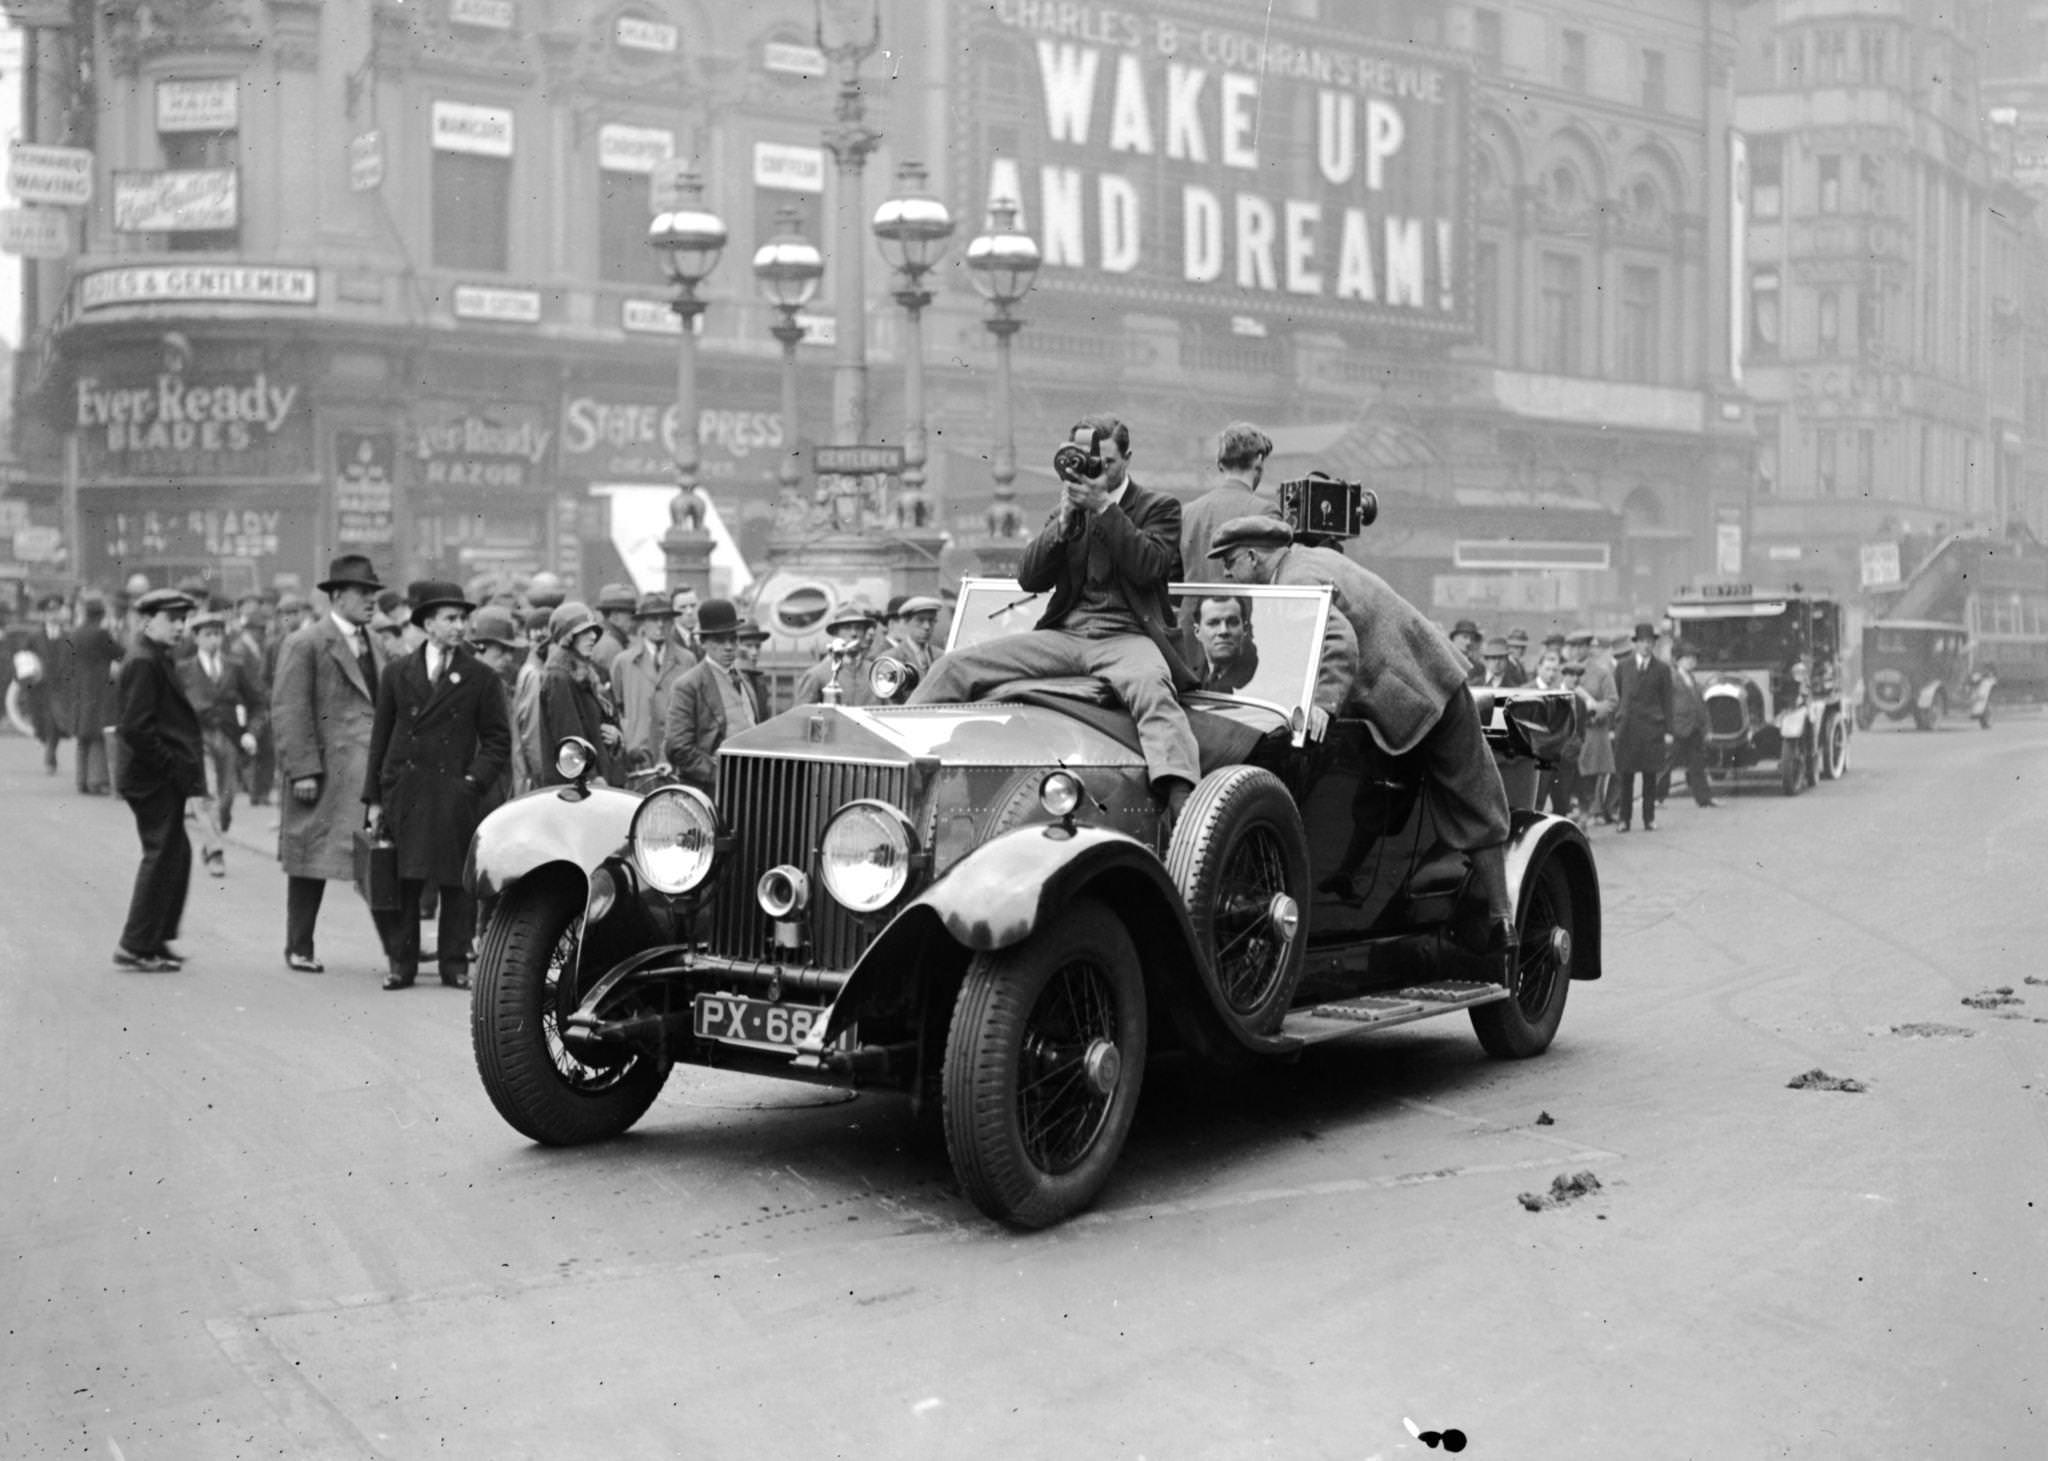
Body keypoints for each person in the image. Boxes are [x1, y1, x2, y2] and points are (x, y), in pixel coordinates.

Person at [1209, 515, 1515, 961]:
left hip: (1430, 686)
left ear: (1255, 556)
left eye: (1231, 562)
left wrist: (1323, 704)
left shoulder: (1296, 581)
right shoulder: (1308, 561)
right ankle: (1353, 881)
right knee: (1382, 791)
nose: (1227, 575)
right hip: (1402, 689)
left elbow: (1337, 641)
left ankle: (1502, 919)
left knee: (1472, 793)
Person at [911, 414, 1201, 817]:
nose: (1095, 471)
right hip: (1067, 634)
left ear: (1128, 459)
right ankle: (901, 759)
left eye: (1107, 462)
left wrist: (1103, 508)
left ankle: (1181, 799)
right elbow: (1030, 579)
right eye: (1085, 461)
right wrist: (1060, 527)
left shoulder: (1159, 506)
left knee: (1152, 686)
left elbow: (1150, 566)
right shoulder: (1069, 509)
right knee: (954, 666)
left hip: (1129, 636)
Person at [364, 581, 512, 990]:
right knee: (404, 880)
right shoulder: (397, 673)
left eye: (463, 618)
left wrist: (472, 781)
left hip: (454, 792)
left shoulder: (480, 677)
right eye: (450, 618)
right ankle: (402, 963)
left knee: (456, 883)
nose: (460, 626)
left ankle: (454, 964)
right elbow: (381, 737)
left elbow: (498, 739)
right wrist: (374, 798)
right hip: (406, 790)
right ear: (428, 623)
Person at [271, 555, 400, 974]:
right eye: (363, 593)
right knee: (310, 858)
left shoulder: (376, 643)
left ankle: (398, 950)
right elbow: (290, 711)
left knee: (374, 860)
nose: (370, 601)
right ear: (338, 595)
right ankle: (298, 946)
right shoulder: (306, 642)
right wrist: (302, 770)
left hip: (367, 773)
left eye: (373, 594)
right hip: (326, 773)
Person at [112, 589, 206, 971]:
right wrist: (171, 767)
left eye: (184, 619)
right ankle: (137, 945)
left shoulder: (154, 657)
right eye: (173, 619)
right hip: (152, 779)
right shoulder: (144, 661)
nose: (181, 626)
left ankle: (158, 937)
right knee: (163, 855)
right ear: (148, 621)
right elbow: (135, 728)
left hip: (158, 776)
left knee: (175, 856)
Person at [179, 609, 265, 879]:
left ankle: (213, 837)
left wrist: (251, 732)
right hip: (196, 737)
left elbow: (258, 703)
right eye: (207, 634)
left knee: (226, 799)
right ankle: (215, 852)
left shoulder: (235, 666)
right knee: (206, 796)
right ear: (196, 638)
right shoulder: (183, 669)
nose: (214, 640)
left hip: (228, 736)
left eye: (218, 634)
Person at [662, 599, 753, 794]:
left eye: (733, 638)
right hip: (710, 791)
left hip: (750, 785)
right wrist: (718, 774)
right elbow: (678, 748)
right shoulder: (688, 686)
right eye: (720, 640)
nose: (729, 647)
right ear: (703, 643)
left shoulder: (744, 681)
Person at [1180, 421, 1283, 576]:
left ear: (1219, 464)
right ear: (1259, 460)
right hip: (1241, 601)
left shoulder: (1186, 512)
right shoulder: (1265, 511)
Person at [538, 601, 623, 785]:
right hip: (576, 787)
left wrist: (615, 735)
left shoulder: (589, 675)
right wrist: (590, 777)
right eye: (584, 631)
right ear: (567, 637)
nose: (593, 636)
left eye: (594, 631)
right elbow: (569, 737)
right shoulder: (558, 678)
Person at [610, 591, 685, 772]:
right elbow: (618, 705)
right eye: (653, 619)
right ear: (642, 622)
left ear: (672, 622)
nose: (660, 625)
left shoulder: (686, 660)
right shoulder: (623, 662)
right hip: (637, 760)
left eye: (665, 618)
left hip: (676, 760)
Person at [1612, 622, 1673, 832]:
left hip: (1652, 730)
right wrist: (1614, 727)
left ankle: (1649, 819)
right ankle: (1624, 820)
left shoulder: (1662, 669)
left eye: (1650, 642)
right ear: (1635, 644)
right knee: (1625, 777)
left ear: (1654, 644)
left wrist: (1669, 732)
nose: (1646, 646)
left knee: (1650, 777)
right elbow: (1617, 698)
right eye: (1642, 642)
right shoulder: (1622, 667)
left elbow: (1668, 702)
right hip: (1627, 729)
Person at [68, 592, 125, 795]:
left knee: (83, 736)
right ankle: (96, 780)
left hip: (80, 687)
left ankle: (80, 780)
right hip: (99, 687)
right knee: (98, 734)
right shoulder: (101, 634)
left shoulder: (75, 633)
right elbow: (119, 652)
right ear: (101, 615)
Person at [1563, 630, 1617, 829]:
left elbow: (1612, 701)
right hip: (1568, 735)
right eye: (1573, 646)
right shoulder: (1563, 670)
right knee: (1567, 780)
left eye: (1581, 646)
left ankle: (1586, 819)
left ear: (1588, 647)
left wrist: (1595, 711)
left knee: (1588, 780)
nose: (1576, 651)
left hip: (1592, 733)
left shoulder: (1601, 672)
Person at [1659, 640, 1717, 809]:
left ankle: (1704, 798)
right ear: (1677, 660)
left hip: (1694, 728)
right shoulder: (1671, 678)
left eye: (1693, 657)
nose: (1691, 661)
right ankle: (1656, 797)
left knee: (1697, 765)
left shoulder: (1692, 679)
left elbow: (1701, 706)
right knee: (1667, 764)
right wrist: (1667, 729)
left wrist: (1706, 728)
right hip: (1678, 728)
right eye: (1686, 658)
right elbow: (1665, 705)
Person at [794, 602, 884, 706]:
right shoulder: (817, 675)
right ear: (836, 633)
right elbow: (801, 717)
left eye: (858, 628)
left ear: (864, 633)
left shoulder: (876, 673)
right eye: (847, 628)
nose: (853, 633)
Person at [512, 605, 554, 793]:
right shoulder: (536, 676)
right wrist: (546, 782)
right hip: (539, 785)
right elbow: (535, 738)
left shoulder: (533, 672)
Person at [1189, 592, 1260, 692]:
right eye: (1213, 623)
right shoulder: (1184, 672)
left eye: (1232, 622)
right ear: (1197, 631)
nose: (1223, 631)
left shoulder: (1259, 682)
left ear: (1245, 629)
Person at [882, 594, 942, 674]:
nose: (927, 627)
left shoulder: (941, 656)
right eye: (920, 620)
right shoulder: (891, 659)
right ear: (906, 622)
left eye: (931, 620)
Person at [590, 583, 639, 677]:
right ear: (615, 616)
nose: (633, 618)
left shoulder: (604, 638)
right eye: (630, 613)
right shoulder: (610, 646)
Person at [735, 616, 773, 722]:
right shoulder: (729, 678)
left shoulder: (758, 679)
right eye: (748, 646)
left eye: (757, 646)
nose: (754, 652)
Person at [1449, 619, 1485, 683]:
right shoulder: (1444, 662)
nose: (1469, 642)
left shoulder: (1479, 668)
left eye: (1472, 639)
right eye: (1465, 637)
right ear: (1454, 638)